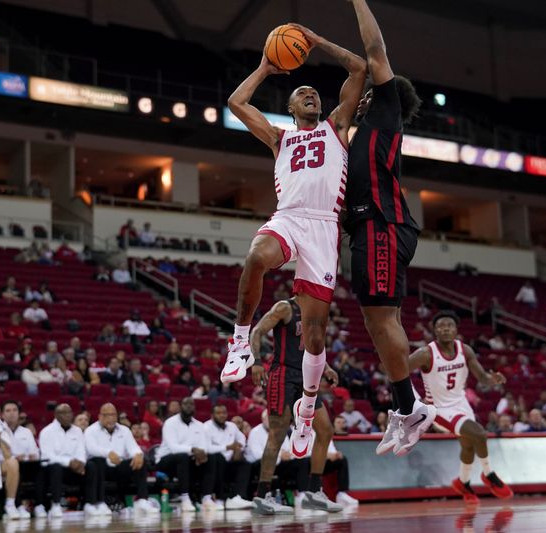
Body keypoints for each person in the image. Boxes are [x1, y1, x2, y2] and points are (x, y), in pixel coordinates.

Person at [222, 22, 366, 459]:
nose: (311, 95)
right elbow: (236, 102)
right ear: (289, 105)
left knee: (316, 336)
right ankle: (240, 341)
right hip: (288, 218)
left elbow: (359, 68)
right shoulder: (279, 138)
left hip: (324, 227)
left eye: (315, 93)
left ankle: (306, 408)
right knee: (255, 257)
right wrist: (267, 66)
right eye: (302, 92)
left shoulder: (337, 127)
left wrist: (319, 42)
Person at [344, 0, 433, 457]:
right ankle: (406, 405)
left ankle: (409, 405)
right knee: (380, 322)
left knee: (379, 320)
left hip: (382, 222)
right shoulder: (360, 132)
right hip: (369, 228)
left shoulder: (385, 110)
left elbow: (373, 51)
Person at [249, 298, 344, 513]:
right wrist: (255, 362)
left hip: (306, 376)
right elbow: (256, 332)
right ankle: (262, 496)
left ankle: (313, 492)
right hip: (282, 375)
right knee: (277, 434)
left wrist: (326, 367)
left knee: (326, 430)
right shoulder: (285, 307)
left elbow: (312, 346)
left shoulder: (314, 310)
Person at [408, 311, 512, 502]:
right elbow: (399, 371)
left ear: (456, 329)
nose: (445, 328)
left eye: (449, 325)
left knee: (469, 445)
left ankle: (462, 483)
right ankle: (489, 475)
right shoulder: (425, 353)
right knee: (479, 434)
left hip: (461, 403)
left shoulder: (466, 350)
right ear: (434, 330)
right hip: (438, 408)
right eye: (441, 325)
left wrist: (492, 380)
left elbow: (482, 377)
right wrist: (413, 399)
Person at [84, 403, 159, 516]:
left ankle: (141, 500)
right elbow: (91, 449)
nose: (110, 418)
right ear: (100, 416)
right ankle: (99, 503)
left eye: (113, 415)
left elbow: (133, 448)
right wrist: (108, 453)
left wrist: (138, 454)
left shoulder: (124, 430)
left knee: (140, 460)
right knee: (97, 461)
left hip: (119, 467)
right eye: (106, 415)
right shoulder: (91, 430)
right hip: (101, 468)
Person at [154, 397, 215, 512]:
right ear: (180, 406)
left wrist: (201, 454)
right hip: (165, 461)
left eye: (191, 404)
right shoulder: (170, 423)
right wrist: (193, 450)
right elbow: (173, 448)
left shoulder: (199, 425)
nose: (188, 406)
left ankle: (207, 498)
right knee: (182, 457)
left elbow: (204, 445)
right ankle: (185, 498)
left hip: (188, 460)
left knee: (210, 457)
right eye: (185, 404)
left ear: (194, 407)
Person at [38, 404, 87, 519]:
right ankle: (55, 505)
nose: (67, 416)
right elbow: (47, 456)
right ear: (56, 415)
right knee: (56, 467)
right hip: (52, 470)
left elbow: (82, 451)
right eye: (63, 413)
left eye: (69, 413)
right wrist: (69, 461)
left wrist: (81, 463)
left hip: (74, 469)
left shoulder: (77, 431)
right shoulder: (47, 431)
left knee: (91, 466)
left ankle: (91, 503)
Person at [203, 404, 252, 510]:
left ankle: (238, 497)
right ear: (212, 415)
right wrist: (227, 447)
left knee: (245, 464)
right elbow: (207, 448)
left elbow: (242, 438)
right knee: (218, 458)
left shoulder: (232, 426)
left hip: (229, 461)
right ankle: (219, 498)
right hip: (213, 463)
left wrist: (239, 449)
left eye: (224, 413)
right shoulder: (206, 427)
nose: (222, 415)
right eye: (218, 413)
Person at [1, 401, 43, 514]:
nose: (12, 413)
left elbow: (35, 452)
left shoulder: (26, 432)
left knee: (41, 469)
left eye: (15, 410)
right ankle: (17, 505)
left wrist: (32, 456)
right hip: (6, 466)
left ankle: (39, 505)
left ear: (19, 413)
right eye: (8, 411)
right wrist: (15, 457)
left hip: (27, 465)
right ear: (2, 415)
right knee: (15, 467)